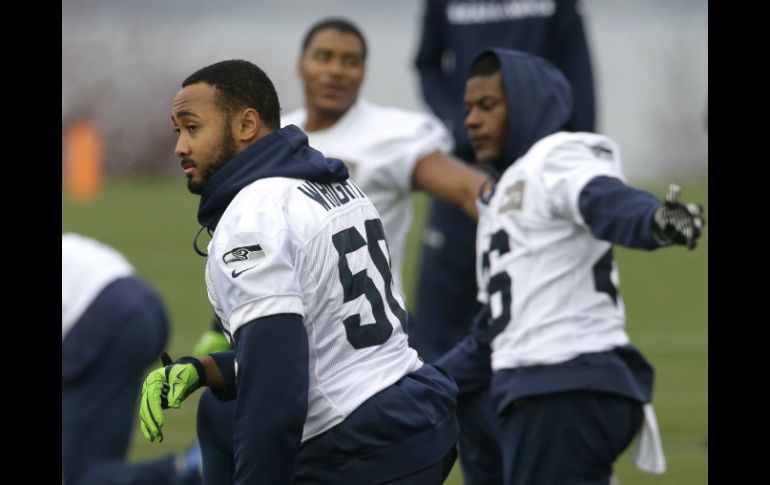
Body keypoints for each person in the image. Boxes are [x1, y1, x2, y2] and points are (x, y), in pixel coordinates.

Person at [138, 59, 459, 484]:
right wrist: (206, 368)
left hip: (362, 444)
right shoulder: (333, 182)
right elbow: (324, 347)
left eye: (192, 127)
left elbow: (276, 392)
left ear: (246, 124)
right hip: (419, 412)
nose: (180, 146)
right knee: (219, 409)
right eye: (178, 130)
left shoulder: (253, 215)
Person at [437, 48, 704, 484]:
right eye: (467, 108)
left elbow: (600, 196)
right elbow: (491, 336)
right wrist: (417, 385)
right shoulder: (501, 196)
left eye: (488, 106)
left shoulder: (554, 156)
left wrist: (654, 220)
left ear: (527, 103)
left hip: (561, 382)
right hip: (543, 388)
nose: (472, 120)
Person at [412, 0, 597, 362]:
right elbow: (427, 64)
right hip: (465, 170)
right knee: (439, 321)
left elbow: (578, 68)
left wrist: (579, 152)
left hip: (536, 173)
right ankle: (439, 414)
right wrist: (457, 120)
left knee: (536, 308)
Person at [62, 233, 201, 485]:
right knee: (100, 464)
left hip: (103, 317)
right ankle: (192, 465)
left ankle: (188, 470)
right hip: (145, 305)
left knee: (84, 475)